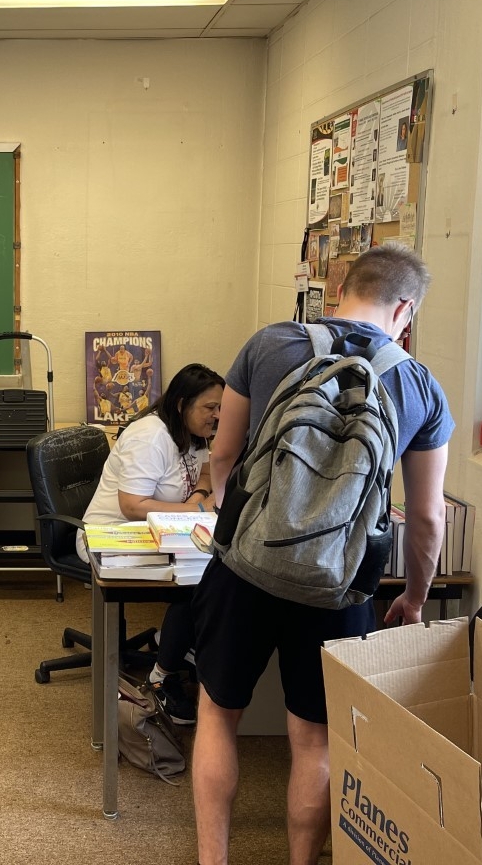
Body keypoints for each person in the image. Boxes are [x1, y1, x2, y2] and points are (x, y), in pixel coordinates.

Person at [191, 245, 454, 865]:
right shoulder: (420, 386)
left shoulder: (269, 344)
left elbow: (223, 455)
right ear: (406, 310)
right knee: (315, 738)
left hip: (245, 569)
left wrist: (233, 528)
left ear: (343, 286)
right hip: (340, 584)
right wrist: (414, 598)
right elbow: (425, 517)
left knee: (216, 714)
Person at [77, 363, 225, 724]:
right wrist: (191, 509)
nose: (218, 416)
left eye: (222, 407)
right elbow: (132, 505)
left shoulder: (193, 434)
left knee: (218, 568)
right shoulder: (151, 436)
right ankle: (163, 675)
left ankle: (176, 643)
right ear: (181, 405)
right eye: (210, 408)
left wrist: (200, 499)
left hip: (159, 531)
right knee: (197, 581)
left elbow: (206, 471)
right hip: (110, 536)